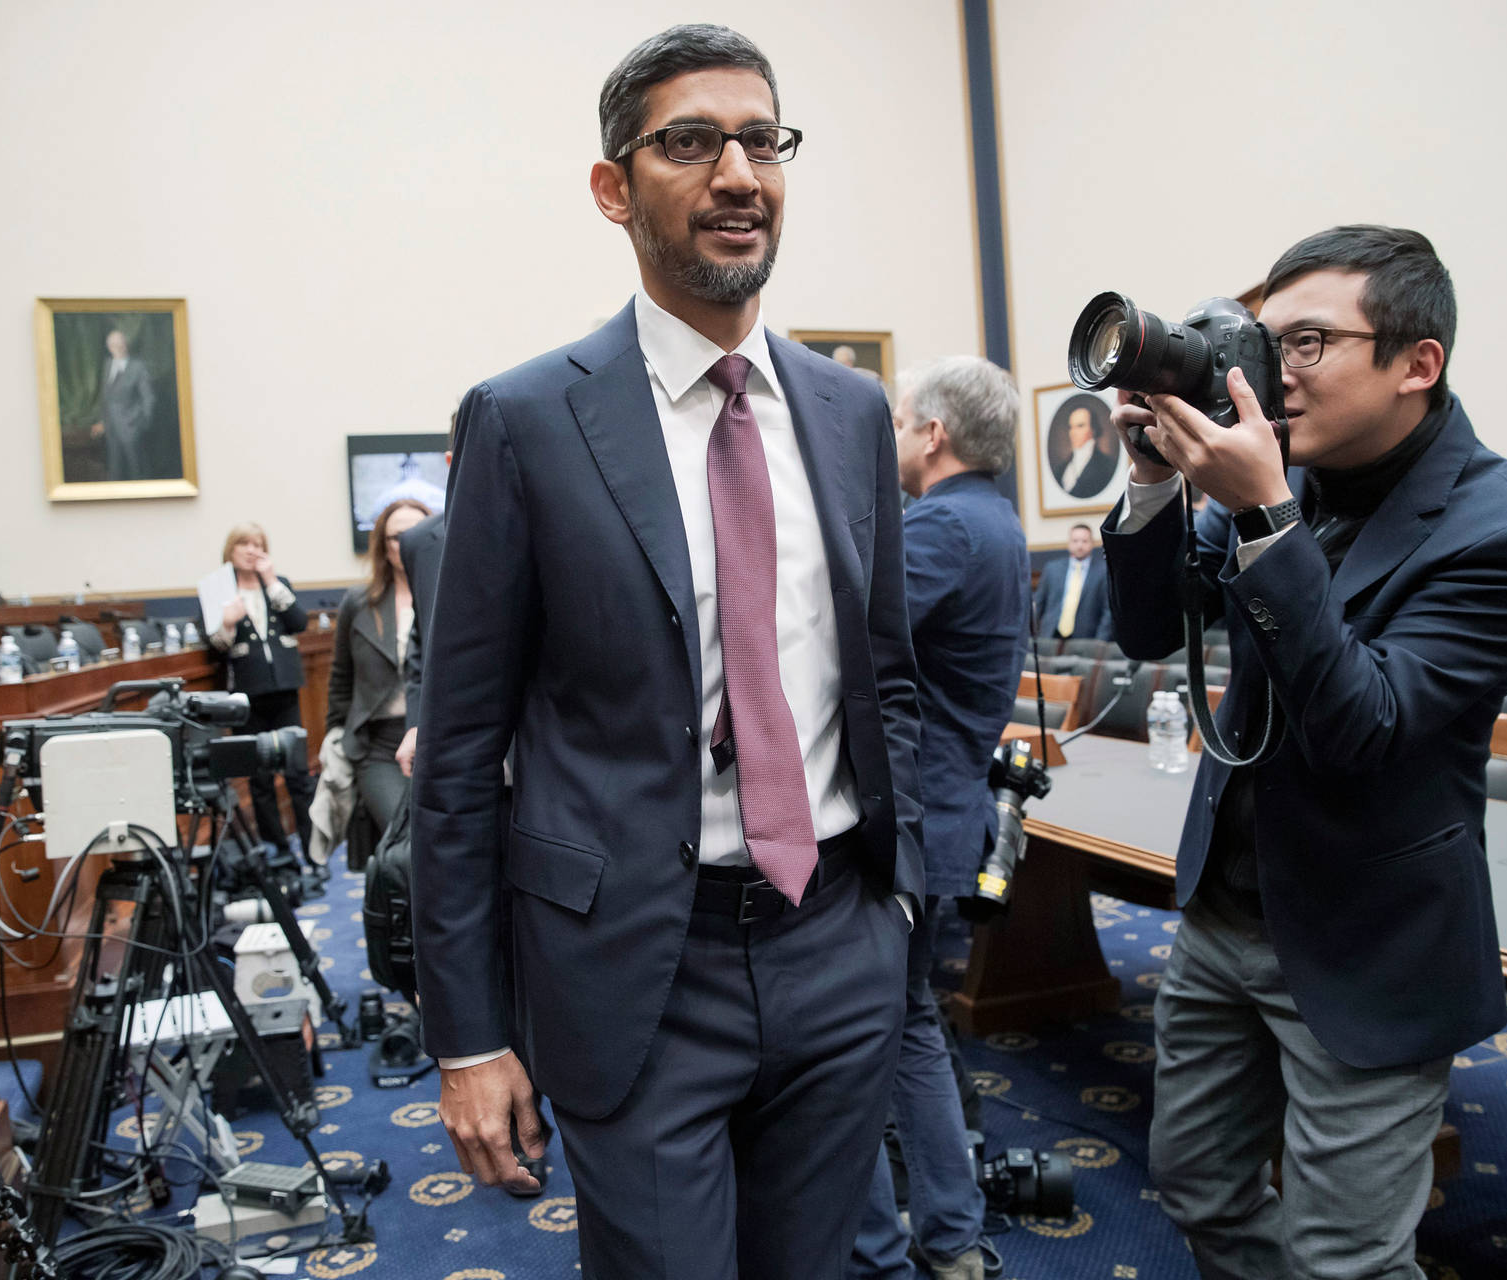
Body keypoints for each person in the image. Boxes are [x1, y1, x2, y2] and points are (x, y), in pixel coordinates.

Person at [410, 25, 923, 1279]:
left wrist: (907, 896)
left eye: (763, 140)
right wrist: (467, 1034)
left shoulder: (851, 412)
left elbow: (889, 674)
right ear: (613, 186)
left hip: (838, 945)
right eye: (691, 142)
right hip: (638, 965)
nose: (738, 174)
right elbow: (463, 748)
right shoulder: (527, 420)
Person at [1102, 225, 1507, 1278]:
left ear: (1419, 361)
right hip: (1225, 911)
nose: (1269, 371)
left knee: (1346, 1257)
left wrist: (1263, 510)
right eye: (1265, 340)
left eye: (1307, 342)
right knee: (1196, 1187)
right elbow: (1143, 631)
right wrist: (1148, 479)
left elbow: (1366, 722)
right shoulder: (1289, 474)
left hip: (1368, 937)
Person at [848, 356, 1028, 1280]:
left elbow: (841, 640)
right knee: (906, 1023)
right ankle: (949, 1235)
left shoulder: (945, 528)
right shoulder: (992, 520)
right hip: (942, 814)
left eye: (900, 418)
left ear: (933, 435)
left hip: (911, 824)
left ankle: (891, 1246)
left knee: (864, 1042)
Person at [326, 498, 434, 831]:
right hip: (378, 746)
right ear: (383, 545)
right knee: (404, 833)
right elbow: (341, 678)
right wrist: (337, 736)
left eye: (416, 532)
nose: (406, 543)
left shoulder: (448, 595)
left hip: (437, 737)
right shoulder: (358, 603)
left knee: (440, 839)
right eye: (396, 536)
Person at [209, 523, 317, 854]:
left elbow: (299, 623)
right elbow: (216, 646)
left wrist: (270, 582)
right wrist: (227, 622)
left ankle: (313, 849)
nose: (252, 550)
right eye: (244, 544)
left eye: (258, 545)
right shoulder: (218, 589)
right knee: (260, 780)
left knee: (297, 773)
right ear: (230, 550)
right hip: (247, 694)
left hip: (284, 689)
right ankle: (279, 852)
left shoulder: (277, 584)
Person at [89, 329, 158, 481]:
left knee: (137, 471)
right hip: (111, 429)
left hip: (132, 428)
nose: (118, 348)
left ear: (126, 344)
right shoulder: (107, 365)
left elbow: (149, 398)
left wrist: (140, 423)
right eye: (114, 345)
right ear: (109, 347)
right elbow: (106, 398)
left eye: (120, 344)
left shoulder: (138, 367)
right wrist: (102, 421)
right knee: (115, 471)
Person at [1031, 522, 1113, 641]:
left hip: (1087, 639)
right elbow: (1038, 603)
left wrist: (1100, 641)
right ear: (1069, 543)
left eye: (1084, 541)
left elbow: (1108, 611)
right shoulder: (1052, 569)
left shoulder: (1103, 571)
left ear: (1092, 543)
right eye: (1075, 541)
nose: (1079, 545)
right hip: (1051, 636)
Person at [1053, 402, 1117, 497]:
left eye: (1080, 426)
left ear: (1093, 429)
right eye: (1071, 427)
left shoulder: (1107, 466)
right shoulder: (1061, 469)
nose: (1073, 432)